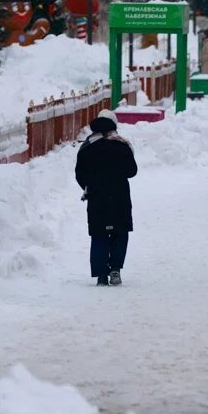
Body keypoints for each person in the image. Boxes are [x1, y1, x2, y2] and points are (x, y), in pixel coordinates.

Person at [75, 109, 138, 287]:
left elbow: (80, 174)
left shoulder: (87, 147)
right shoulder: (122, 145)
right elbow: (131, 171)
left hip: (97, 198)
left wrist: (89, 186)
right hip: (120, 197)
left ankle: (101, 275)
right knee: (119, 232)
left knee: (99, 234)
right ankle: (115, 269)